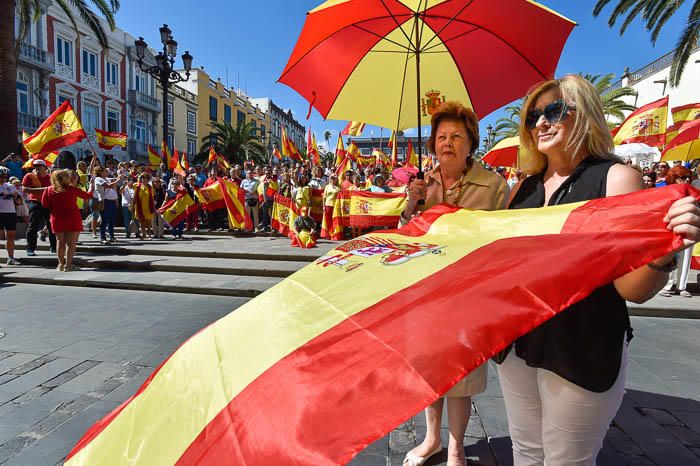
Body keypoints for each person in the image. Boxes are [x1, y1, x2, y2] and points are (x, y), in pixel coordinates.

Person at [497, 75, 700, 466]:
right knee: (525, 454)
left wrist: (664, 250)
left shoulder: (616, 178)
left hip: (583, 346)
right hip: (519, 343)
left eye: (554, 110)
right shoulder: (521, 189)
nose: (540, 122)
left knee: (566, 461)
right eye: (533, 116)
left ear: (585, 113)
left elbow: (632, 289)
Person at [402, 101, 508, 466]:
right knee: (430, 370)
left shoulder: (494, 186)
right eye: (441, 136)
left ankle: (457, 446)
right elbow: (405, 237)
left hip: (467, 294)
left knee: (461, 375)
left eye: (456, 136)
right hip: (425, 292)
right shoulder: (422, 183)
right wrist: (411, 205)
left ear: (470, 143)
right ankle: (431, 439)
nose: (447, 142)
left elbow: (503, 243)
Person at [40, 169, 93, 271]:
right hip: (72, 218)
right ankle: (68, 265)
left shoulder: (48, 189)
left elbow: (45, 204)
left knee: (60, 242)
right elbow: (88, 195)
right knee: (71, 243)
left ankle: (60, 264)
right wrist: (91, 185)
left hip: (57, 218)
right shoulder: (72, 189)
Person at [658, 166, 694, 298]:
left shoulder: (693, 193)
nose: (686, 180)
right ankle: (666, 286)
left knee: (686, 258)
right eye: (682, 177)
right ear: (674, 179)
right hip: (672, 229)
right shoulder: (667, 192)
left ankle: (682, 286)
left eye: (688, 177)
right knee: (671, 256)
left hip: (689, 228)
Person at [22, 159, 56, 256]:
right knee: (33, 226)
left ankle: (54, 247)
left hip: (49, 204)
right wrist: (43, 189)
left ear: (45, 167)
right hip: (35, 203)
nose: (37, 168)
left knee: (52, 226)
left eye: (39, 166)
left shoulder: (50, 177)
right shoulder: (29, 176)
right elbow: (24, 189)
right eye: (35, 166)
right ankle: (30, 249)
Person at [0, 167, 22, 265]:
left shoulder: (11, 186)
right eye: (1, 176)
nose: (3, 178)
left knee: (10, 236)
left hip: (10, 213)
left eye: (5, 176)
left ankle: (11, 257)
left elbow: (19, 202)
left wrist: (16, 196)